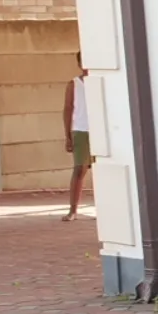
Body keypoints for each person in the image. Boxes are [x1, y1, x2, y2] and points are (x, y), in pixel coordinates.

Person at [61, 65, 92, 222]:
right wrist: (67, 135)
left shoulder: (101, 81)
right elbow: (68, 109)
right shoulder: (74, 84)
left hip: (101, 129)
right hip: (81, 130)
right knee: (80, 169)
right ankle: (73, 210)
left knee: (103, 171)